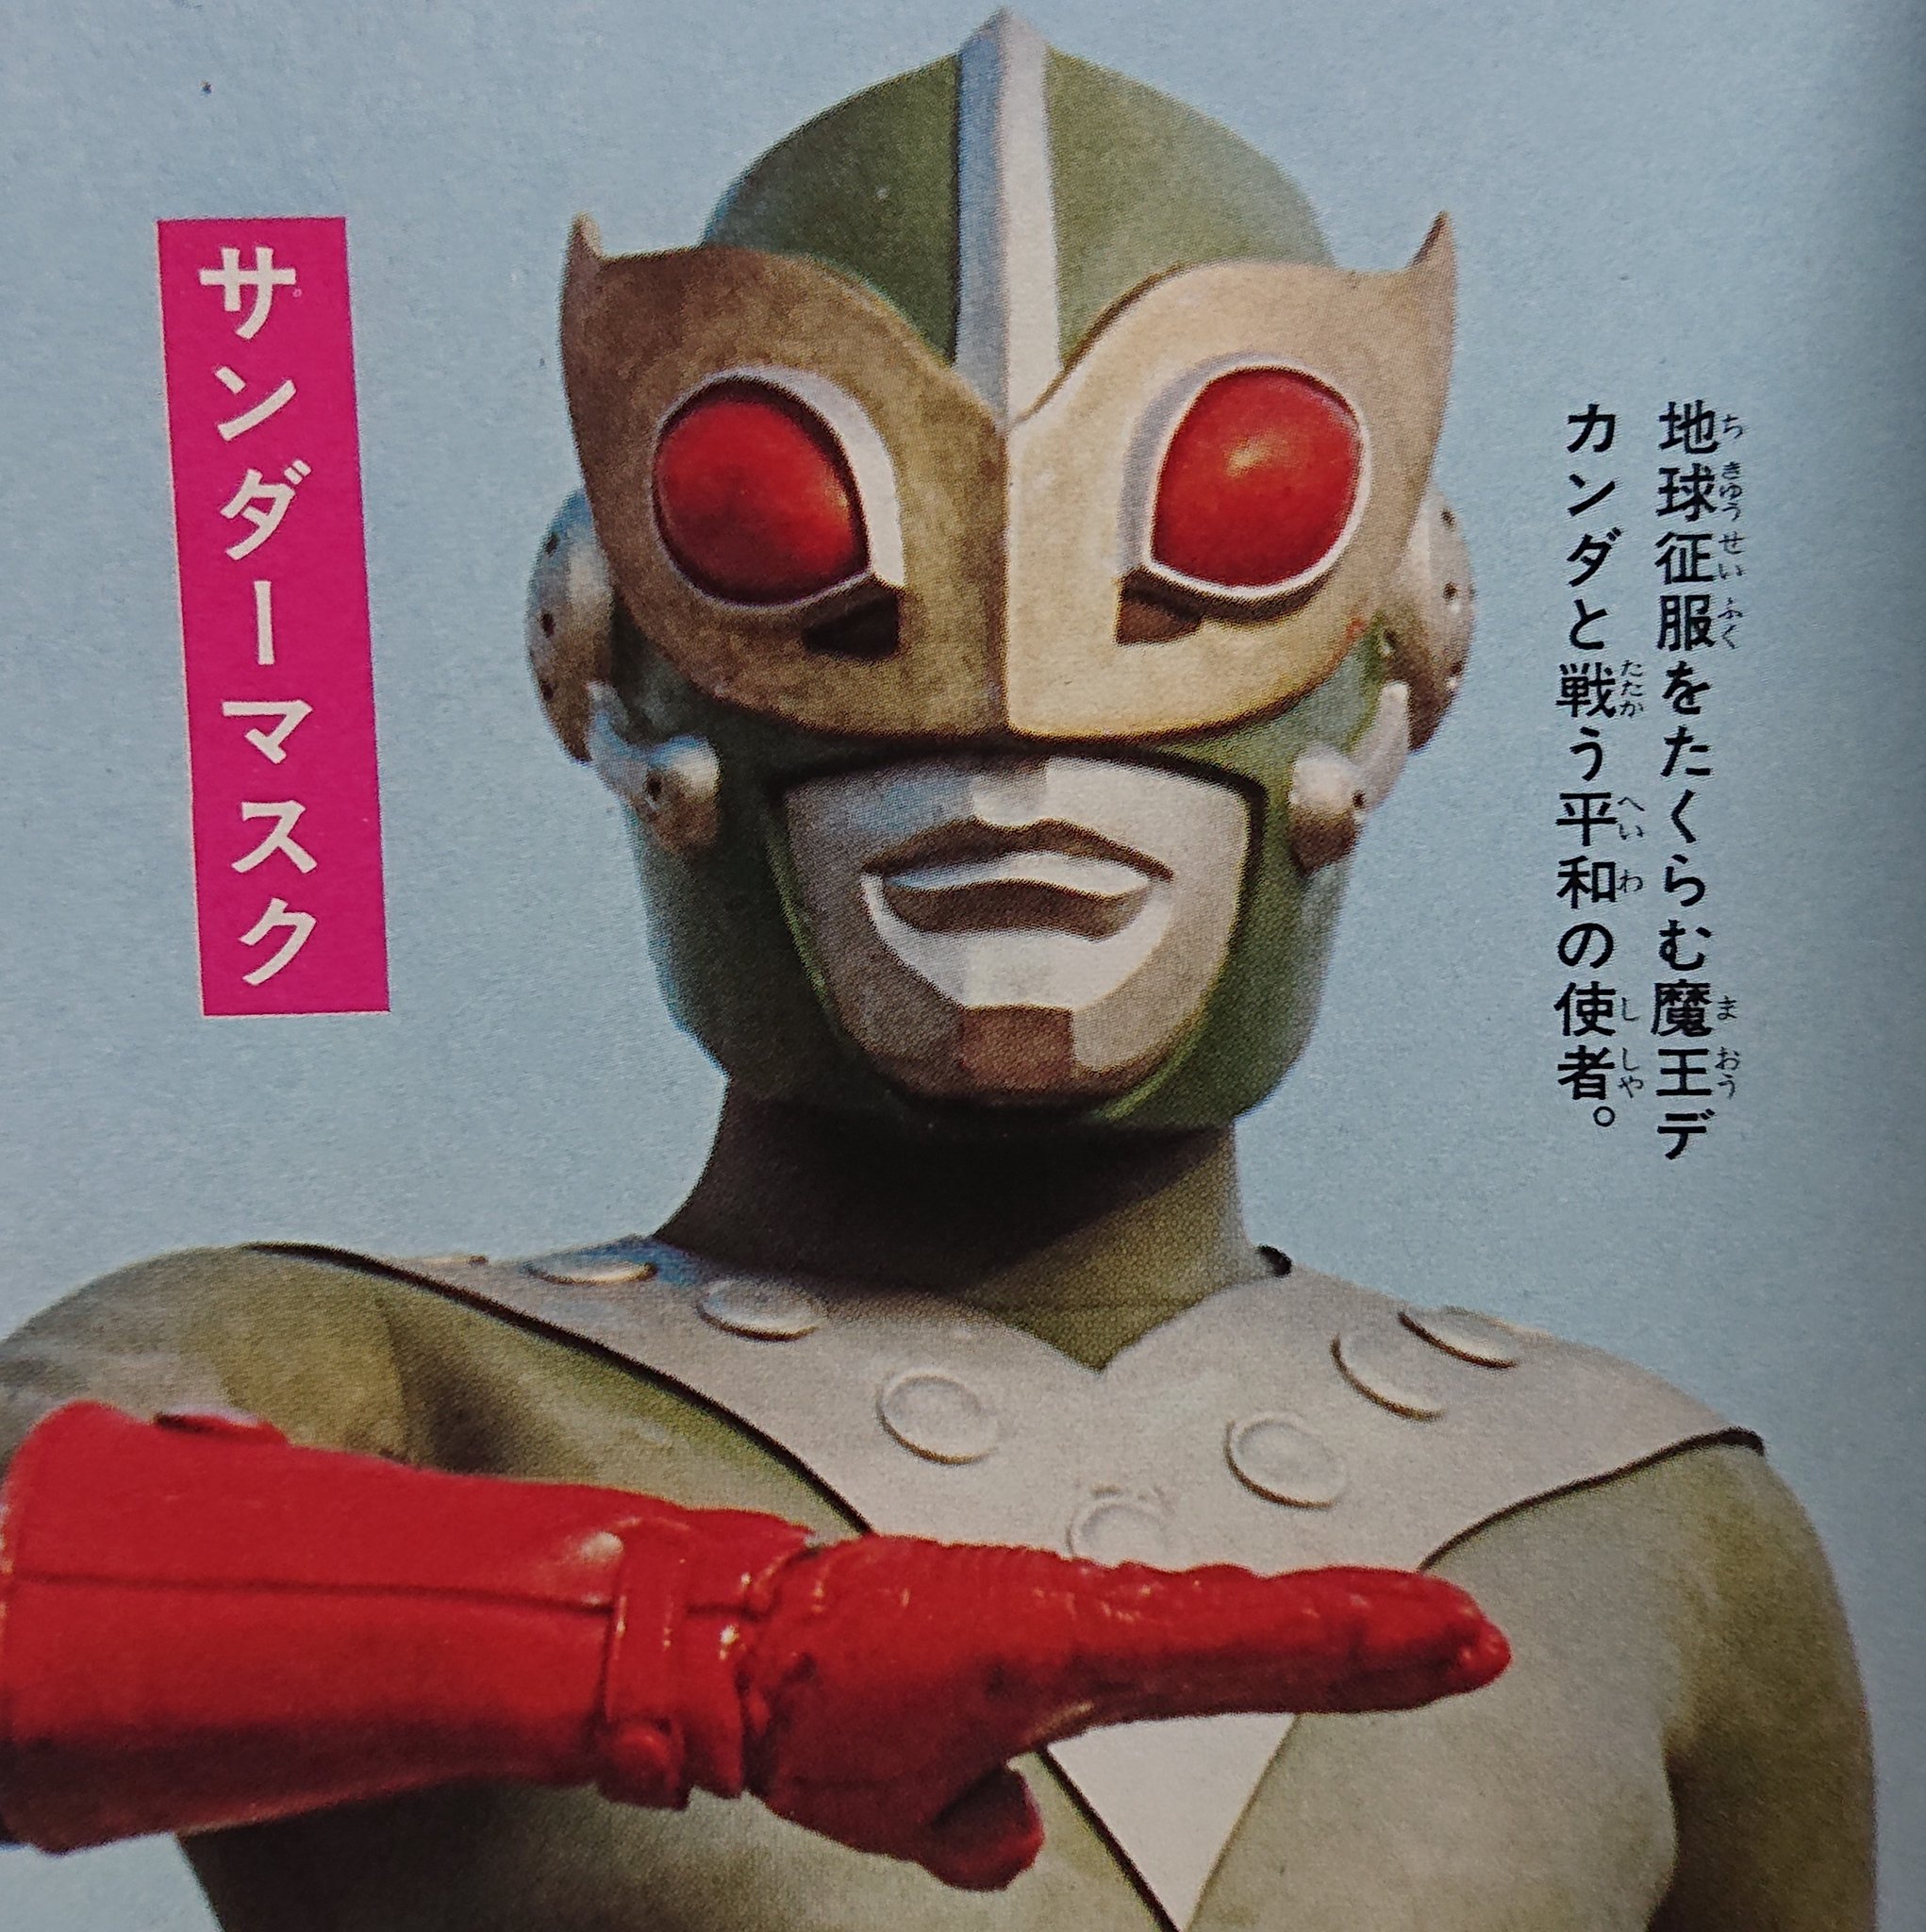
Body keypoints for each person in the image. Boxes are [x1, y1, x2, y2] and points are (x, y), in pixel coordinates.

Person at [0, 16, 1870, 1931]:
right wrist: (697, 1649)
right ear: (609, 659)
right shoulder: (380, 1383)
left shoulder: (1650, 1521)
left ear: (1391, 659)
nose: (1014, 756)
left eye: (1223, 526)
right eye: (772, 525)